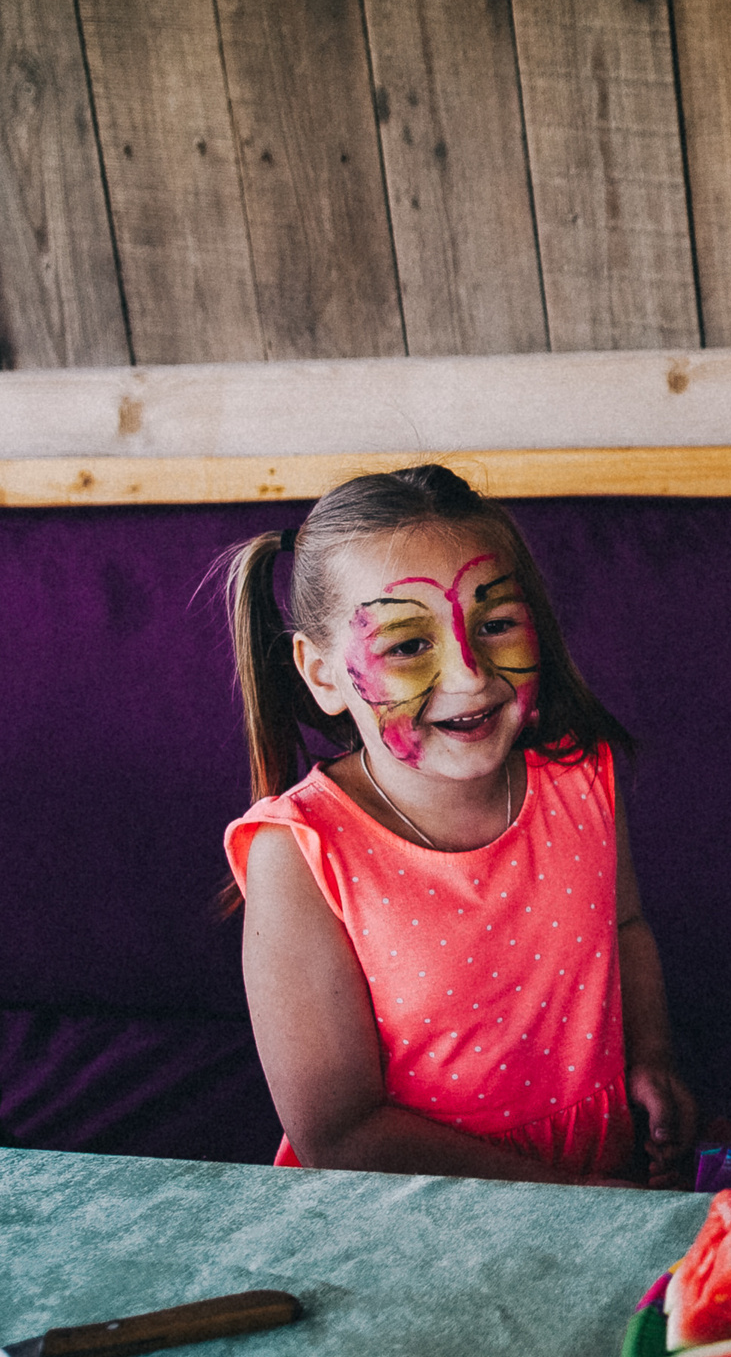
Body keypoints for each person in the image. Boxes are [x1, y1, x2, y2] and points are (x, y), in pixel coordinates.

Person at [217, 466, 696, 1185]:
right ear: (322, 674)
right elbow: (339, 1134)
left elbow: (625, 927)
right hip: (414, 1223)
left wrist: (652, 1057)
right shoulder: (301, 853)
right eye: (408, 644)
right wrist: (566, 1199)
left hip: (605, 1182)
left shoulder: (584, 778)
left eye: (496, 624)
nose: (471, 677)